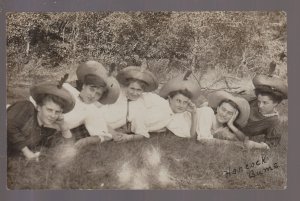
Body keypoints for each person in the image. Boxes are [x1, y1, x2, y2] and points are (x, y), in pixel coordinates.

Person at [99, 64, 174, 142]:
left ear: (143, 91)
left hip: (117, 128)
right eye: (132, 88)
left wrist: (128, 137)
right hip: (102, 123)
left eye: (139, 90)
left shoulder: (141, 103)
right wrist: (113, 133)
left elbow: (142, 134)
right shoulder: (118, 95)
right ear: (126, 87)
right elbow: (99, 114)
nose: (135, 93)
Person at [7, 77, 75, 161]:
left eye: (57, 112)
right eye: (49, 110)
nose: (53, 115)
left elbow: (68, 147)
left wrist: (63, 125)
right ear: (39, 107)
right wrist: (26, 152)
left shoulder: (45, 131)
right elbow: (8, 124)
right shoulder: (26, 107)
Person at [57, 61, 120, 148]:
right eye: (91, 89)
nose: (93, 95)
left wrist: (87, 141)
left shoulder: (92, 110)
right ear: (84, 86)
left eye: (98, 94)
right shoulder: (68, 88)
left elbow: (105, 136)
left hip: (54, 130)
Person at [196, 90, 270, 149]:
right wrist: (234, 144)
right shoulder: (207, 112)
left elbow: (243, 139)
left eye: (229, 113)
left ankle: (262, 146)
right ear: (218, 108)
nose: (224, 114)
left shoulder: (222, 128)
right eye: (223, 109)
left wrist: (231, 125)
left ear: (234, 116)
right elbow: (203, 140)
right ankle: (262, 146)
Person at [240, 74, 288, 148]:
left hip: (236, 134)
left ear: (275, 103)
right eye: (259, 101)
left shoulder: (273, 121)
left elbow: (272, 142)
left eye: (265, 103)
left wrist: (255, 145)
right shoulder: (253, 101)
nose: (260, 105)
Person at [158, 70, 202, 138]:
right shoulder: (169, 117)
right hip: (199, 126)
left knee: (206, 111)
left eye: (185, 102)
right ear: (169, 99)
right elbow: (191, 135)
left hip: (202, 117)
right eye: (178, 101)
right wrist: (194, 114)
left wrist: (194, 113)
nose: (181, 105)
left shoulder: (181, 112)